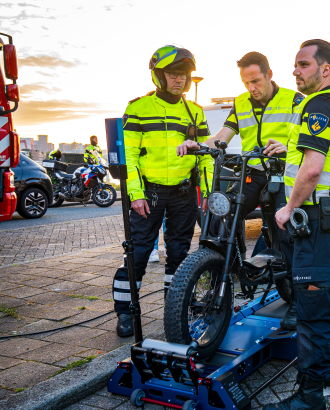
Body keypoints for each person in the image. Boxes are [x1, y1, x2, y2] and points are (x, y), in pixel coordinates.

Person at [177, 51, 302, 329]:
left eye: (255, 81)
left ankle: (298, 302)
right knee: (223, 211)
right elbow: (224, 135)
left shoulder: (294, 100)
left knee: (287, 230)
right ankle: (226, 269)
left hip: (283, 173)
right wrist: (201, 145)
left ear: (269, 75)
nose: (251, 88)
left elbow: (309, 140)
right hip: (253, 173)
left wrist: (288, 148)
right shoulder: (241, 102)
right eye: (246, 83)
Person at [268, 39, 330, 410]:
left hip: (318, 225)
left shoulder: (320, 104)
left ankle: (309, 398)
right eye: (295, 65)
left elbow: (312, 168)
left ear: (325, 69)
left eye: (303, 64)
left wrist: (288, 208)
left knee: (312, 313)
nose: (295, 71)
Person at [112, 45, 213, 337]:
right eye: (172, 74)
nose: (179, 80)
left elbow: (205, 155)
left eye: (183, 75)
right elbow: (128, 156)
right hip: (149, 194)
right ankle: (126, 312)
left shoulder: (194, 112)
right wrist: (136, 193)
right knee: (139, 253)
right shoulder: (137, 108)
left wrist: (206, 190)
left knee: (180, 253)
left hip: (183, 194)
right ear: (159, 75)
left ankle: (176, 305)